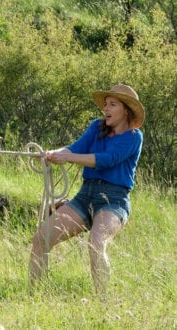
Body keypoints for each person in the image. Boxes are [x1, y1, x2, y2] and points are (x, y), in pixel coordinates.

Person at [29, 84, 145, 296]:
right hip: (85, 196)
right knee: (41, 238)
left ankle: (102, 303)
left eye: (112, 105)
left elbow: (107, 160)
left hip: (114, 200)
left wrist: (68, 157)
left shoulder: (134, 137)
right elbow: (75, 148)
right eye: (105, 105)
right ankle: (34, 296)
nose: (106, 109)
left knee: (96, 242)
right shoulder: (96, 127)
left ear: (126, 110)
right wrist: (55, 153)